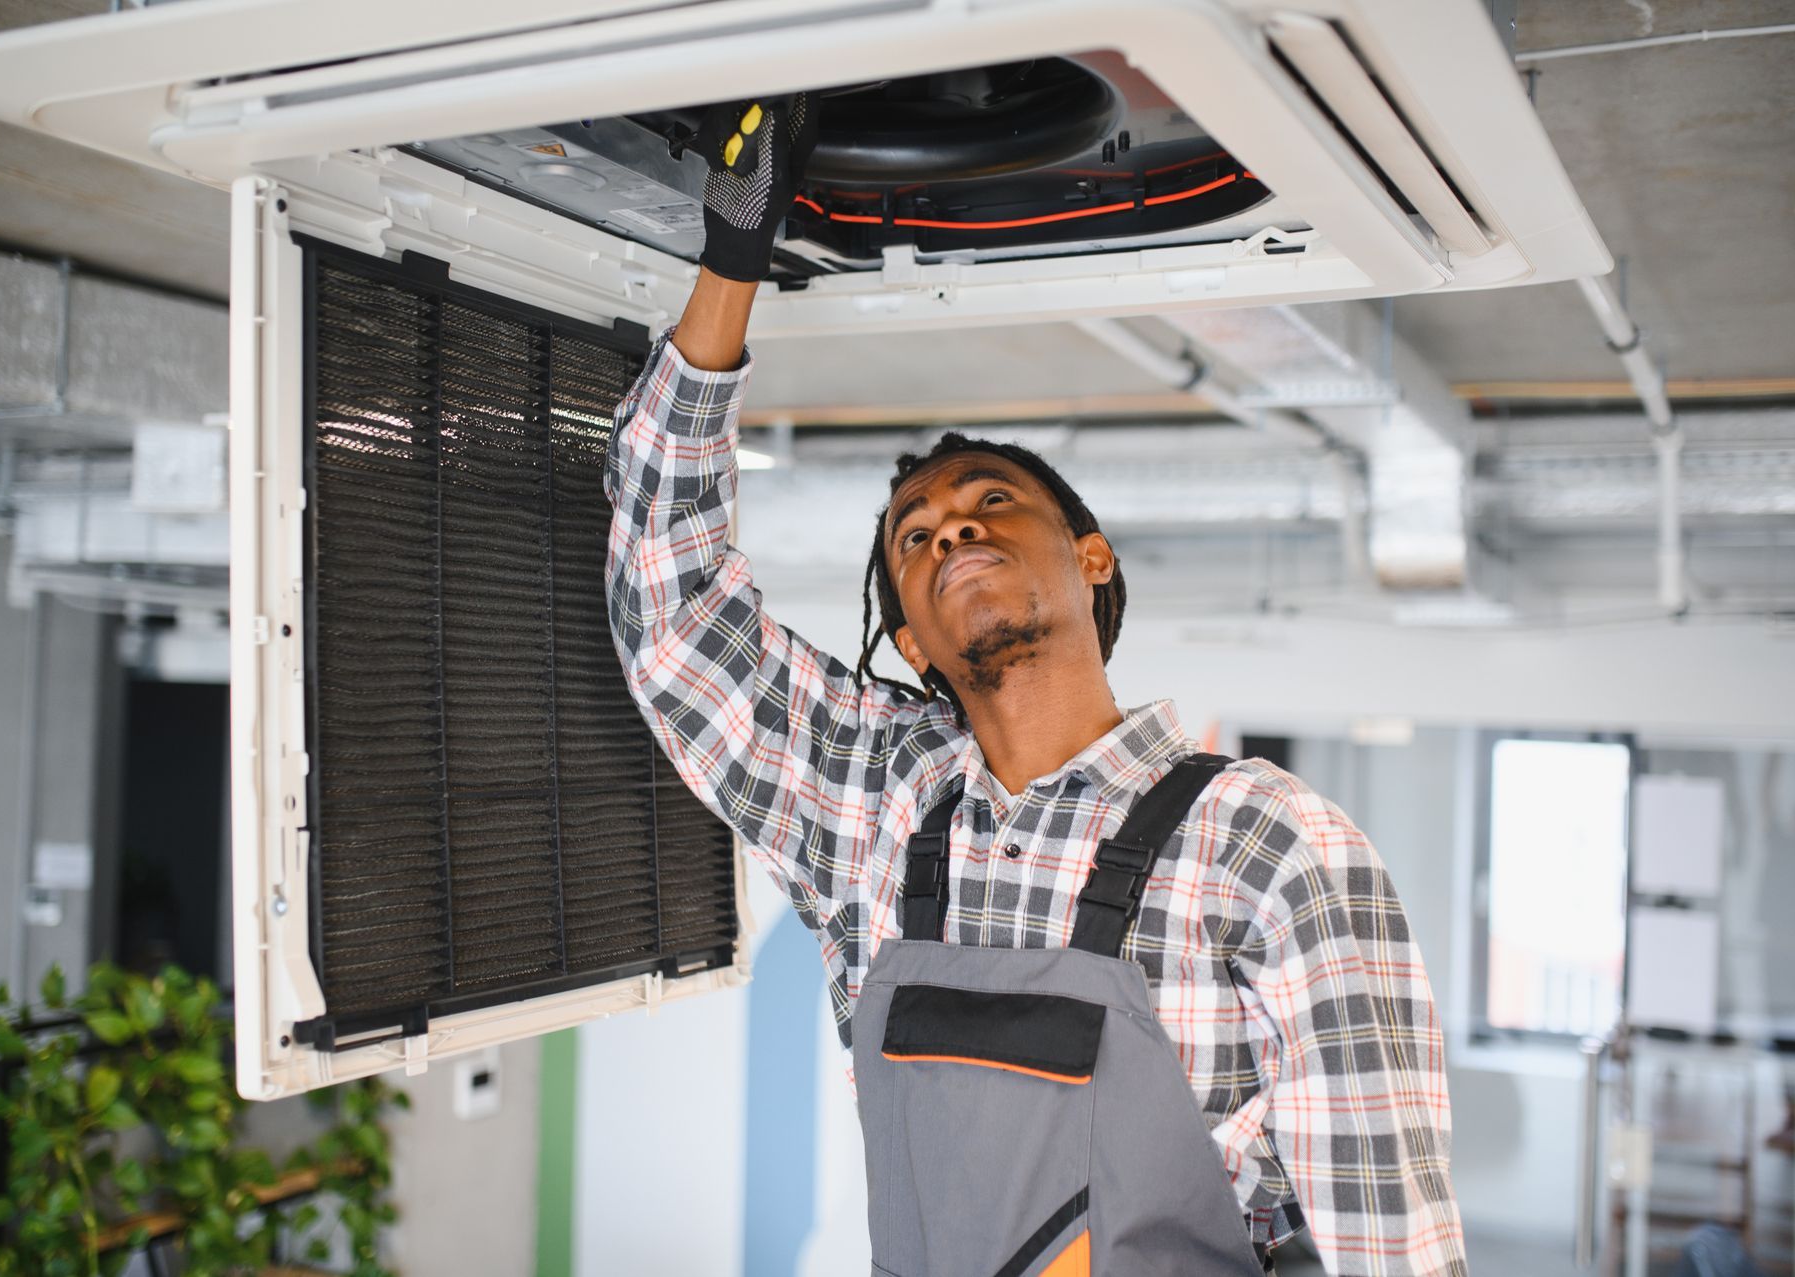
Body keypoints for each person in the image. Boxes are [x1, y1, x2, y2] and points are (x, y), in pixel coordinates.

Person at [603, 94, 1467, 1276]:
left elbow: (1390, 1245)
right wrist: (734, 255)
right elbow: (676, 611)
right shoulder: (874, 811)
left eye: (991, 502)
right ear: (909, 642)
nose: (952, 529)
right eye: (917, 536)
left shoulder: (1264, 844)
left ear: (1092, 560)